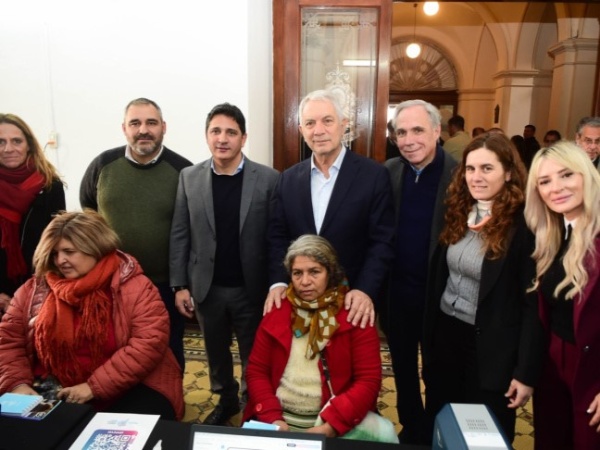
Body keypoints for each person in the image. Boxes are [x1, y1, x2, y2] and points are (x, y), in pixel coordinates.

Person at [0, 210, 184, 419]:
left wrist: (93, 387)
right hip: (52, 385)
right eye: (54, 253)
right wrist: (17, 384)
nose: (60, 260)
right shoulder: (34, 289)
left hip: (130, 384)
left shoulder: (135, 285)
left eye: (69, 251)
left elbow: (148, 344)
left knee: (131, 431)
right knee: (23, 431)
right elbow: (8, 341)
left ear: (95, 247)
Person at [422, 133, 544, 444]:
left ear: (508, 172)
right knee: (444, 422)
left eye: (487, 168)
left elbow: (532, 306)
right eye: (470, 168)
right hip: (447, 337)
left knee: (483, 434)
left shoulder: (524, 225)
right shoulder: (459, 210)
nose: (476, 177)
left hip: (491, 349)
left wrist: (525, 372)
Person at [170, 103, 279, 425]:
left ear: (243, 138)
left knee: (254, 354)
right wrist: (179, 285)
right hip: (207, 288)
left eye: (231, 132)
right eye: (215, 131)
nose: (222, 138)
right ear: (207, 136)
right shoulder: (189, 178)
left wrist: (277, 282)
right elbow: (180, 232)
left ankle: (253, 404)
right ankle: (226, 400)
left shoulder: (269, 179)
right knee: (215, 352)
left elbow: (276, 237)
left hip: (251, 288)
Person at [266, 89, 395, 330]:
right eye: (310, 123)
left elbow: (383, 241)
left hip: (352, 302)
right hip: (299, 300)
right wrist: (278, 283)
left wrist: (365, 289)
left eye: (327, 120)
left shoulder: (374, 176)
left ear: (343, 125)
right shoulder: (287, 180)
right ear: (301, 130)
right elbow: (277, 238)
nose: (318, 130)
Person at [80, 98, 192, 370]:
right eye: (135, 123)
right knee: (113, 349)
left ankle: (169, 396)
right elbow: (88, 209)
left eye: (151, 123)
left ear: (163, 127)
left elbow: (193, 229)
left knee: (167, 351)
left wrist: (183, 284)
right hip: (110, 283)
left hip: (164, 285)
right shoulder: (103, 164)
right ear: (124, 128)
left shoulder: (184, 171)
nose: (143, 130)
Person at [244, 234, 382, 438]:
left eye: (314, 272)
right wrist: (273, 419)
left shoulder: (354, 314)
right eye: (297, 273)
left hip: (335, 421)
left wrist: (331, 426)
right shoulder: (277, 309)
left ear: (330, 273)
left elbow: (368, 380)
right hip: (277, 419)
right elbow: (257, 372)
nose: (305, 281)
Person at [382, 99, 457, 444]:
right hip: (397, 295)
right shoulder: (389, 172)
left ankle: (437, 433)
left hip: (441, 299)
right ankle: (412, 428)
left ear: (437, 131)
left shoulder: (459, 176)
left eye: (417, 130)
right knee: (403, 369)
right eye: (401, 132)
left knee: (438, 372)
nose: (409, 140)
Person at [524, 141, 600, 449]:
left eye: (567, 175)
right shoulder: (552, 234)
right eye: (545, 181)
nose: (556, 187)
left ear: (587, 175)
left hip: (592, 368)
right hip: (553, 363)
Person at [0, 114, 65, 317]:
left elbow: (59, 242)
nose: (8, 148)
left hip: (41, 292)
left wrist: (42, 291)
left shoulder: (50, 186)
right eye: (1, 142)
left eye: (16, 141)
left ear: (29, 144)